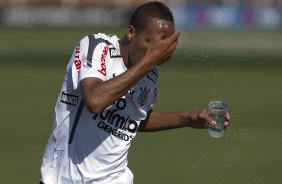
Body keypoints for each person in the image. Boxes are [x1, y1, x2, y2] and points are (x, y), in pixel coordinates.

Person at [39, 1, 231, 184]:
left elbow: (133, 119)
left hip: (116, 178)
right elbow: (94, 100)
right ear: (131, 33)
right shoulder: (96, 47)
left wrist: (188, 118)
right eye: (153, 43)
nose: (162, 51)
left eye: (168, 44)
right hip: (63, 177)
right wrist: (149, 61)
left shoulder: (150, 75)